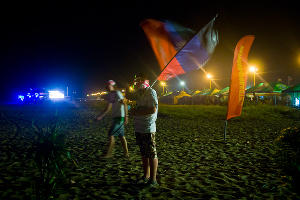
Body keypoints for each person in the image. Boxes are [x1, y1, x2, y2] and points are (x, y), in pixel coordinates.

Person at [128, 74, 159, 187]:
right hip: (139, 127)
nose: (136, 83)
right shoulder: (139, 94)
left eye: (139, 81)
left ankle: (153, 180)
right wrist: (134, 110)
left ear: (145, 81)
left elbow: (152, 109)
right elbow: (136, 104)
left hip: (148, 128)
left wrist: (136, 112)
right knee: (143, 154)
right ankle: (146, 176)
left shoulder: (151, 92)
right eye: (135, 81)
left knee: (151, 154)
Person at [97, 80, 129, 158]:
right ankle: (126, 153)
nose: (107, 87)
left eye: (109, 85)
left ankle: (109, 154)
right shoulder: (110, 95)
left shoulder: (117, 93)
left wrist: (126, 117)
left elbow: (124, 104)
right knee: (121, 136)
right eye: (107, 85)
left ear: (113, 86)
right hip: (116, 117)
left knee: (111, 134)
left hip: (120, 117)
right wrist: (101, 116)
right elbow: (108, 108)